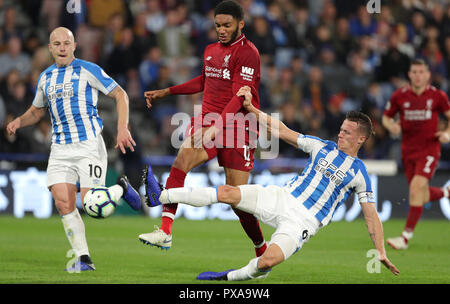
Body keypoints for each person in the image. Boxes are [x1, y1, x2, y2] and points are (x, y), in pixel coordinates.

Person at [142, 86, 400, 281]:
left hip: (303, 221)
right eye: (341, 129)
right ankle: (162, 196)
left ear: (361, 139)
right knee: (229, 193)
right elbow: (283, 130)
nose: (340, 134)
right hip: (282, 197)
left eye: (347, 132)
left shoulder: (360, 174)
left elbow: (371, 216)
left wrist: (380, 251)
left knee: (268, 262)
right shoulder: (322, 146)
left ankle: (228, 277)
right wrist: (253, 110)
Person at [6, 27, 141, 272]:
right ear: (50, 48)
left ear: (74, 45)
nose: (62, 48)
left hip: (88, 143)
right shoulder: (46, 77)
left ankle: (121, 187)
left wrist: (122, 128)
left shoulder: (88, 70)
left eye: (66, 43)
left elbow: (121, 95)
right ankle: (83, 259)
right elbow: (37, 111)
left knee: (92, 205)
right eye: (56, 44)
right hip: (59, 148)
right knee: (63, 202)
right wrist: (19, 120)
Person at [140, 0, 267, 256]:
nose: (221, 29)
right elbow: (205, 79)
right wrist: (168, 91)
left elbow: (239, 97)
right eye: (218, 25)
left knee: (238, 201)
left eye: (227, 25)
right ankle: (165, 231)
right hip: (208, 119)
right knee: (183, 158)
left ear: (240, 24)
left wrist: (216, 128)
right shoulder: (210, 50)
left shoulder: (248, 53)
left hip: (237, 126)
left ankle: (262, 250)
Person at [382, 59, 450, 250]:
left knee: (415, 189)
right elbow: (386, 117)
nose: (418, 75)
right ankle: (446, 193)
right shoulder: (400, 95)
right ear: (409, 75)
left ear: (428, 74)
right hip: (407, 151)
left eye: (422, 71)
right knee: (420, 193)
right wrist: (392, 126)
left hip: (429, 149)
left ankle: (404, 238)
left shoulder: (438, 96)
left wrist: (447, 134)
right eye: (414, 72)